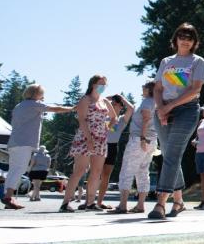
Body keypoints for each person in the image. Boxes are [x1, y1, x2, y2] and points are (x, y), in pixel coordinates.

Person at [148, 22, 204, 219]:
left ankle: (160, 204)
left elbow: (195, 90)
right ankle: (179, 201)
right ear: (175, 39)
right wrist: (161, 109)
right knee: (169, 156)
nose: (185, 40)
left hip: (186, 111)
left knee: (172, 155)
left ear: (194, 42)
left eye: (189, 37)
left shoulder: (197, 62)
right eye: (181, 36)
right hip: (163, 110)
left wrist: (168, 107)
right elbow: (157, 88)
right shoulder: (166, 61)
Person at [2, 84, 73, 210]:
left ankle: (8, 196)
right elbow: (55, 109)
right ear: (36, 94)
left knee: (13, 169)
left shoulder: (19, 105)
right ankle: (8, 196)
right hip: (24, 143)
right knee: (19, 169)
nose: (43, 96)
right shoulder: (34, 104)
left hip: (14, 142)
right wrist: (72, 108)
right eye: (42, 93)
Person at [59, 75, 117, 212]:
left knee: (96, 171)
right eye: (100, 83)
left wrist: (107, 127)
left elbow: (114, 117)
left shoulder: (104, 101)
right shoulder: (85, 99)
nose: (103, 86)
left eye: (105, 84)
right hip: (85, 137)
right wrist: (89, 139)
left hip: (101, 138)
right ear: (92, 84)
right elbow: (82, 120)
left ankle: (90, 202)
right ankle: (65, 203)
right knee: (80, 170)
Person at [111, 81, 158, 214]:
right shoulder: (155, 102)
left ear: (149, 89)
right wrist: (122, 98)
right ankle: (140, 205)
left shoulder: (147, 102)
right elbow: (134, 109)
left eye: (144, 86)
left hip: (139, 139)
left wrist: (142, 138)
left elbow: (146, 119)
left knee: (127, 170)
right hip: (151, 140)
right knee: (143, 172)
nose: (142, 88)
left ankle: (123, 205)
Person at [96, 94, 134, 209]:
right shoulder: (103, 115)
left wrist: (121, 97)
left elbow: (131, 109)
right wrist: (110, 97)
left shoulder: (122, 120)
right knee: (95, 174)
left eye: (116, 104)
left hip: (112, 147)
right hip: (100, 145)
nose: (113, 105)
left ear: (121, 107)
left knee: (105, 176)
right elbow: (98, 100)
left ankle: (99, 202)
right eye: (112, 103)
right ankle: (89, 201)